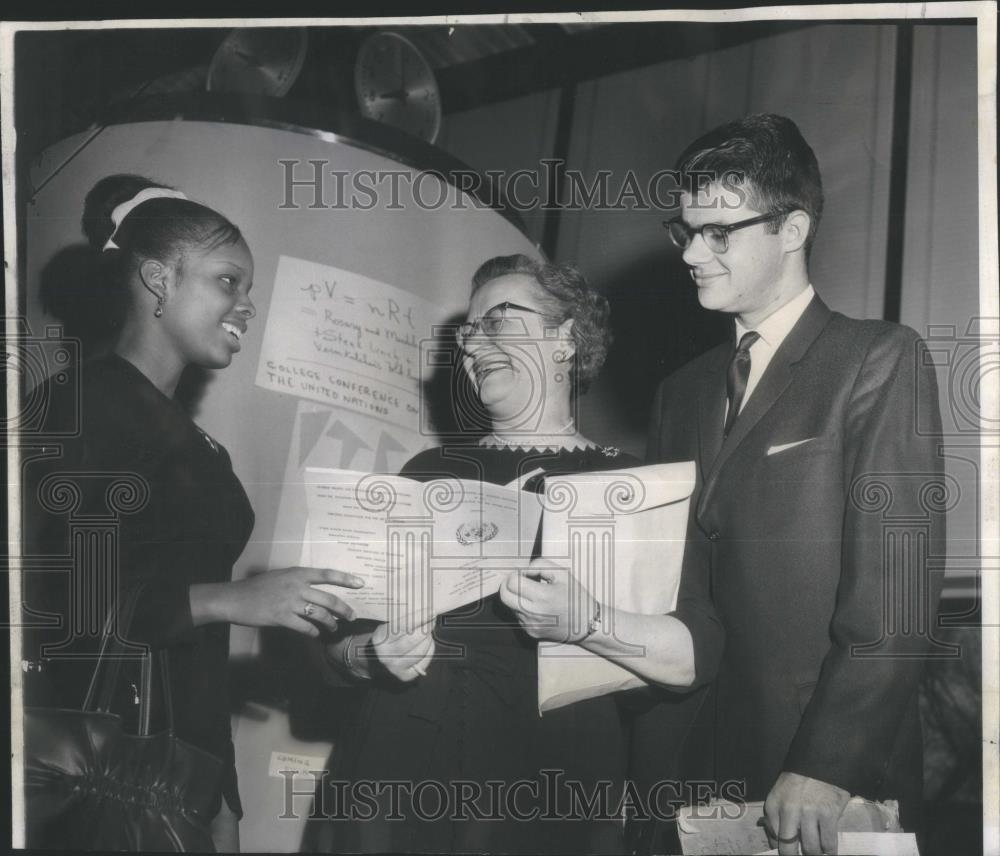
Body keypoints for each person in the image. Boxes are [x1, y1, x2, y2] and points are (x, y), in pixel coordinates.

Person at [314, 254, 722, 855]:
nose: (473, 344)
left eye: (497, 320)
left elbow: (695, 655)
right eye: (467, 331)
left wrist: (589, 624)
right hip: (396, 770)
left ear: (564, 339)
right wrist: (368, 655)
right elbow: (330, 644)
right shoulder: (425, 474)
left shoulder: (634, 485)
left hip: (549, 785)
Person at [21, 175, 364, 852]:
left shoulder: (197, 442)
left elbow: (194, 651)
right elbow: (55, 600)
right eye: (227, 282)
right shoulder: (81, 406)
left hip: (175, 770)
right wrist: (233, 599)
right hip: (92, 771)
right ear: (157, 279)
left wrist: (221, 795)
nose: (246, 307)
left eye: (249, 292)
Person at [648, 114, 945, 855]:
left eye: (719, 232)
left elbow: (899, 591)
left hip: (820, 783)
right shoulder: (677, 393)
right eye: (684, 231)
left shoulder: (875, 359)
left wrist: (826, 761)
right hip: (684, 773)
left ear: (793, 228)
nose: (691, 252)